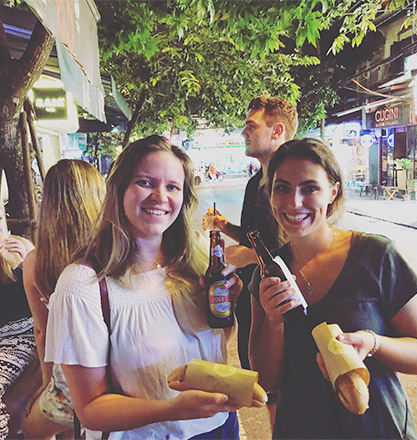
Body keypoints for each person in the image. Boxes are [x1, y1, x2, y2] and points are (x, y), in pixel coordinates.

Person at [43, 135, 243, 439]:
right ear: (119, 190)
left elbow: (211, 351)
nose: (160, 196)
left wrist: (225, 311)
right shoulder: (83, 286)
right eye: (146, 183)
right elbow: (91, 409)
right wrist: (172, 409)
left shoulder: (196, 263)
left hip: (220, 426)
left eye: (173, 187)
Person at [248, 138, 417, 439]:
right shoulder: (268, 274)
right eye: (282, 188)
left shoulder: (376, 255)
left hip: (377, 428)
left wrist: (371, 343)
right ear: (270, 195)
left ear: (332, 192)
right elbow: (266, 382)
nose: (294, 202)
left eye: (310, 188)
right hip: (300, 430)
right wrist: (274, 321)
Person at [203, 95, 298, 372]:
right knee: (255, 375)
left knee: (280, 383)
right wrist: (224, 226)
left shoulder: (291, 183)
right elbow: (253, 236)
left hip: (280, 300)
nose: (243, 132)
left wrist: (242, 257)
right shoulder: (255, 181)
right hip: (250, 296)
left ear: (277, 131)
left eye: (251, 126)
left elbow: (292, 249)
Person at [22, 159, 106, 439]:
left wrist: (47, 385)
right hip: (116, 377)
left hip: (72, 386)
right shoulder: (112, 253)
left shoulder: (35, 262)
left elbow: (42, 332)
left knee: (31, 429)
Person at [0, 201, 36, 439]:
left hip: (23, 337)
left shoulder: (23, 250)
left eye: (0, 219)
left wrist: (29, 266)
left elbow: (47, 301)